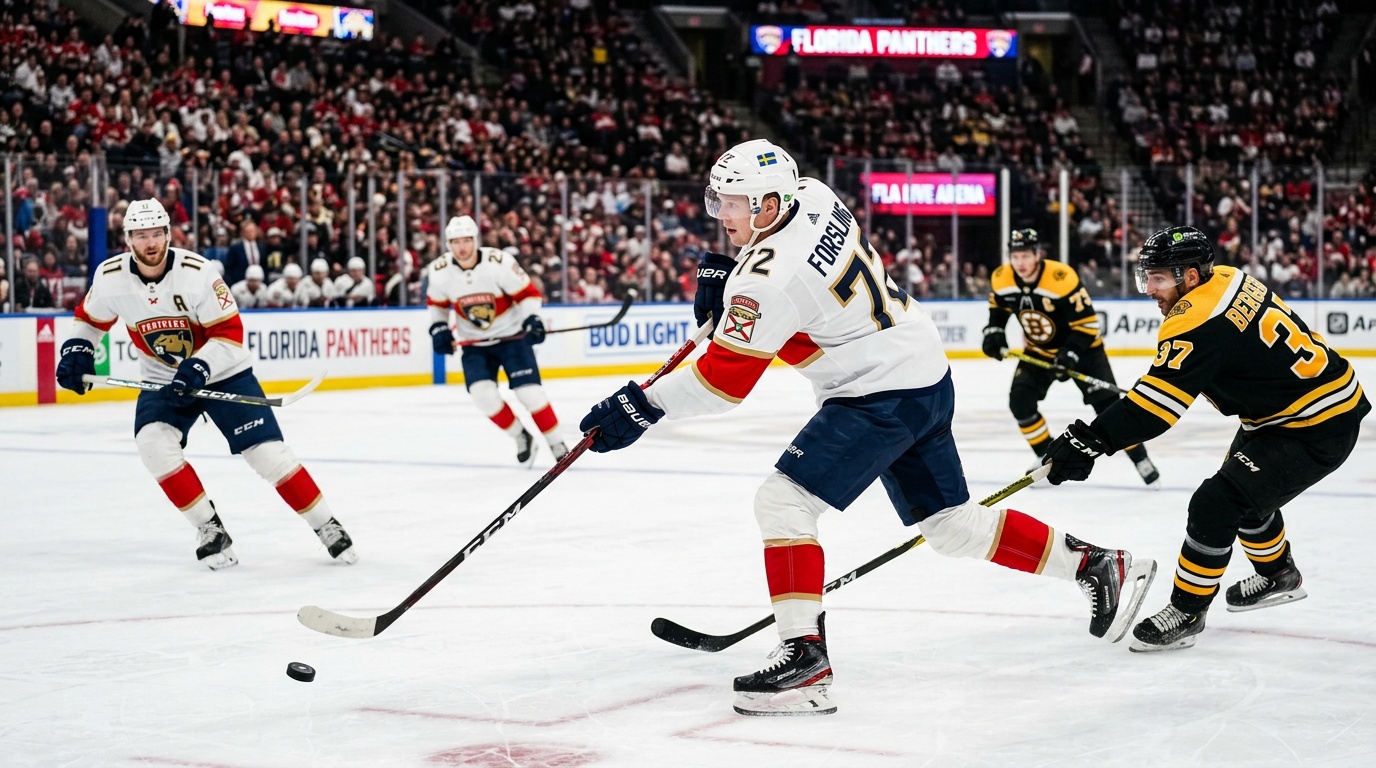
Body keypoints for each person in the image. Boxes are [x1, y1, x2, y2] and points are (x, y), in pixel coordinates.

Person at [579, 140, 1156, 716]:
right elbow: (788, 275)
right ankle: (1099, 563)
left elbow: (721, 384)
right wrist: (728, 281)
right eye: (719, 201)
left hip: (877, 391)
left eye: (733, 204)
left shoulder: (769, 280)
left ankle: (806, 658)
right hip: (921, 369)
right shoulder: (815, 196)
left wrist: (639, 406)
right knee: (951, 527)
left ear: (769, 203)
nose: (721, 215)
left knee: (783, 503)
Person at [1042, 226, 1369, 652]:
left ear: (1190, 276)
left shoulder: (1197, 320)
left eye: (1158, 278)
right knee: (1245, 497)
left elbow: (1155, 410)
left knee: (1216, 503)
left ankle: (1188, 610)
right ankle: (1278, 575)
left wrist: (1089, 439)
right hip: (1293, 410)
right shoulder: (1228, 277)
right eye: (1148, 277)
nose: (1150, 289)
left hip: (1314, 424)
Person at [52, 198, 359, 570]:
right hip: (163, 378)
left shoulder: (197, 272)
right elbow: (89, 320)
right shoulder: (111, 276)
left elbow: (230, 335)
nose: (150, 243)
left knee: (266, 454)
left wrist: (199, 366)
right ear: (128, 239)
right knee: (153, 445)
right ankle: (210, 529)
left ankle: (326, 524)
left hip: (224, 371)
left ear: (168, 233)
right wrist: (77, 348)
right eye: (140, 236)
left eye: (156, 234)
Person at [983, 229, 1161, 485]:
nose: (1020, 262)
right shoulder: (1002, 278)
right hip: (1039, 352)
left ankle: (1140, 459)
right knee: (1020, 401)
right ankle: (1046, 456)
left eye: (1025, 256)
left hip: (1085, 351)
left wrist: (1070, 355)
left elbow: (1087, 325)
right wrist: (994, 331)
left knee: (1110, 408)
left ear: (1037, 254)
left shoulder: (1060, 278)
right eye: (1015, 256)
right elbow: (998, 306)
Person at [427, 215, 568, 465]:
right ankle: (521, 436)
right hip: (475, 345)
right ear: (448, 244)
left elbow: (528, 294)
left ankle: (557, 443)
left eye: (467, 240)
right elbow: (437, 306)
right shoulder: (439, 271)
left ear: (476, 240)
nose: (462, 247)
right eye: (456, 242)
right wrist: (439, 328)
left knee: (530, 394)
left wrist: (533, 319)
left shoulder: (498, 262)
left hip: (512, 338)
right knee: (483, 396)